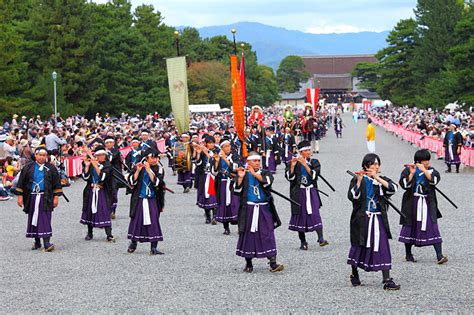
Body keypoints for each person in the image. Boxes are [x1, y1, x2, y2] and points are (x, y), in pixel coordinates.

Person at [347, 153, 400, 290]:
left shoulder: (380, 180)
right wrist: (358, 181)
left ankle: (387, 279)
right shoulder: (358, 179)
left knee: (382, 245)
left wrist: (377, 177)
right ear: (366, 166)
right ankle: (354, 274)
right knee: (359, 245)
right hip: (362, 219)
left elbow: (393, 188)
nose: (376, 166)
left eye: (378, 164)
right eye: (373, 164)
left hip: (378, 218)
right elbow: (352, 196)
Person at [234, 151, 284, 273]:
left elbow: (267, 182)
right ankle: (249, 263)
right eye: (254, 161)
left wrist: (254, 174)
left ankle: (273, 262)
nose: (257, 163)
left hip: (264, 208)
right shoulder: (243, 174)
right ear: (248, 162)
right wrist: (240, 177)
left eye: (258, 161)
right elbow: (236, 190)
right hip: (249, 209)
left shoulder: (265, 173)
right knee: (248, 234)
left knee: (268, 233)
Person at [398, 149, 448, 264]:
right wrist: (411, 173)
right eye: (425, 161)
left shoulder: (431, 170)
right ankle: (408, 254)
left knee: (433, 226)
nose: (428, 162)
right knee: (409, 227)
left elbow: (434, 180)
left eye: (428, 160)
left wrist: (424, 170)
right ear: (419, 161)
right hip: (412, 203)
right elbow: (404, 185)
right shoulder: (408, 170)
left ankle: (439, 255)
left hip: (427, 202)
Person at [15, 147, 63, 251]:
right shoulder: (28, 167)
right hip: (31, 196)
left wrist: (56, 198)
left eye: (44, 155)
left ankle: (46, 243)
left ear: (46, 156)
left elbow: (57, 184)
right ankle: (37, 242)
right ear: (36, 155)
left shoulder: (51, 168)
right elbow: (21, 183)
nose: (42, 157)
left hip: (45, 197)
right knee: (33, 218)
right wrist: (20, 197)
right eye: (40, 155)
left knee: (45, 218)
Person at [285, 141, 328, 250]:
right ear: (300, 152)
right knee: (299, 216)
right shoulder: (292, 163)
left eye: (309, 150)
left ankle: (321, 238)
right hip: (298, 193)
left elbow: (314, 176)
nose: (308, 152)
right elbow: (290, 179)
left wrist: (305, 164)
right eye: (305, 150)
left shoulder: (314, 162)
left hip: (311, 191)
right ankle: (303, 242)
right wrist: (293, 166)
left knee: (315, 213)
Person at [126, 149, 166, 255]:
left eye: (156, 157)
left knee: (154, 222)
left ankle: (153, 247)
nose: (155, 160)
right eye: (152, 157)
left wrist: (149, 170)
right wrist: (138, 171)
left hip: (153, 199)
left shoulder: (159, 168)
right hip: (139, 198)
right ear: (146, 158)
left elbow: (158, 183)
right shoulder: (137, 166)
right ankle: (133, 243)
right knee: (137, 221)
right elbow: (131, 182)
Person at [80, 145, 116, 242]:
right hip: (91, 190)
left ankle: (109, 234)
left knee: (104, 211)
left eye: (103, 155)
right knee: (89, 211)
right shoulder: (91, 164)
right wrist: (87, 166)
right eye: (99, 155)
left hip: (102, 191)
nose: (102, 157)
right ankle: (90, 232)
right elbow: (85, 178)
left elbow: (103, 178)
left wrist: (96, 166)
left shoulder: (108, 165)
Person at [212, 139, 241, 235]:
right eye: (226, 146)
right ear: (222, 148)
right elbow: (214, 172)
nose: (228, 148)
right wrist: (216, 162)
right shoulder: (217, 157)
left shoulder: (235, 155)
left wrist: (225, 159)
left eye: (229, 146)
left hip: (233, 183)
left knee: (236, 204)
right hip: (223, 184)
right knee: (224, 205)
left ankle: (239, 226)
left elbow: (237, 168)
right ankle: (226, 227)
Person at [193, 136, 218, 224]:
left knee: (214, 197)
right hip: (204, 176)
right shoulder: (203, 152)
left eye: (212, 143)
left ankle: (215, 216)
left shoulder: (217, 151)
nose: (211, 144)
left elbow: (216, 162)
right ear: (206, 143)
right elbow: (198, 164)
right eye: (209, 143)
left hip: (214, 176)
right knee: (205, 197)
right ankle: (208, 216)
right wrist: (199, 153)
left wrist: (206, 152)